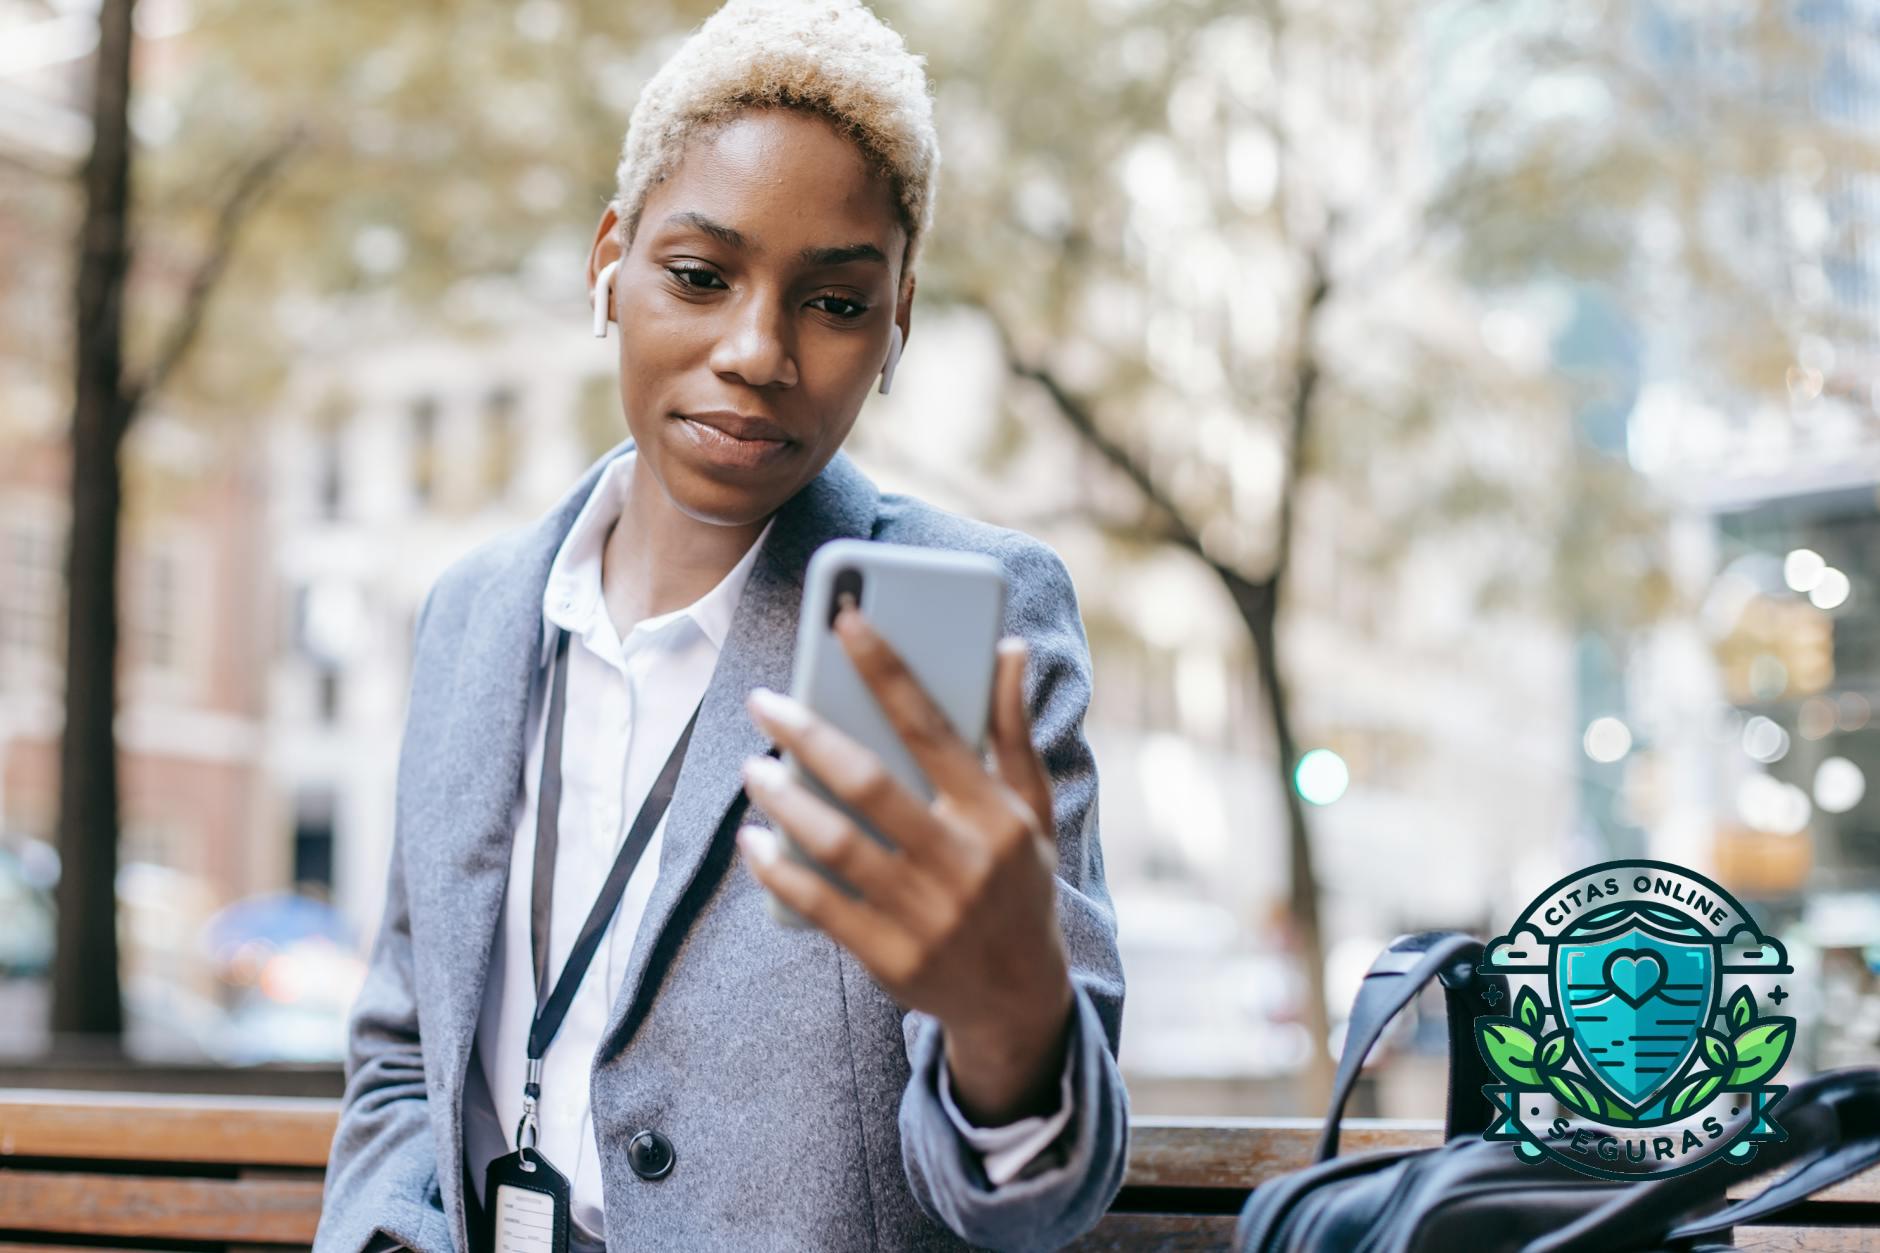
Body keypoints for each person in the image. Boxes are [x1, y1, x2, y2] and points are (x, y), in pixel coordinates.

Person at [311, 2, 1129, 1249]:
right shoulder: (472, 613)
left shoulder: (957, 624)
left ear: (896, 322)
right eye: (698, 277)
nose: (755, 351)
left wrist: (1011, 1025)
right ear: (608, 261)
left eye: (836, 303)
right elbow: (399, 1053)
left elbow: (1036, 1203)